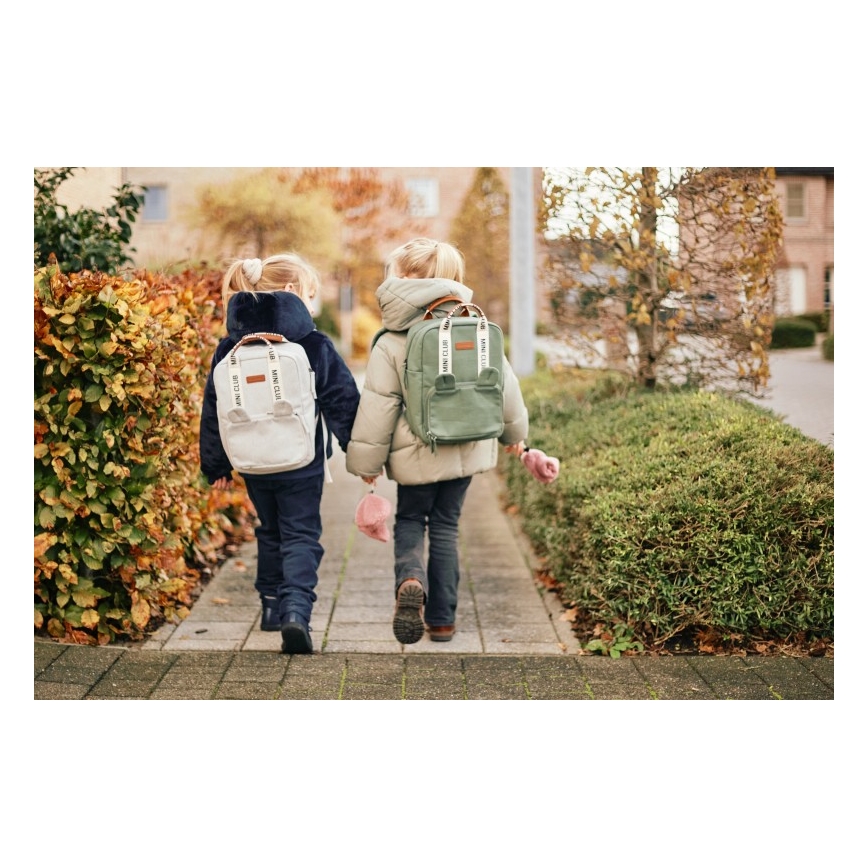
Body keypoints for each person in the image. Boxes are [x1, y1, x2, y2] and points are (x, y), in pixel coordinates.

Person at [346, 238, 529, 644]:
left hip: (416, 452)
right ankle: (443, 620)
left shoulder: (392, 338)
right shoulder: (476, 326)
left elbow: (379, 405)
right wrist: (516, 437)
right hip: (469, 444)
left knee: (412, 519)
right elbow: (506, 388)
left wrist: (366, 464)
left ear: (405, 278)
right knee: (446, 526)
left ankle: (410, 580)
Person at [199, 253, 360, 654]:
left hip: (252, 462)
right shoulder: (313, 344)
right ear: (291, 291)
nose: (312, 303)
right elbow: (342, 400)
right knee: (301, 534)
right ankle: (296, 611)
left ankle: (271, 606)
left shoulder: (229, 347)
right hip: (301, 462)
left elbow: (213, 407)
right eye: (310, 294)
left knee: (269, 530)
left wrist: (216, 464)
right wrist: (357, 450)